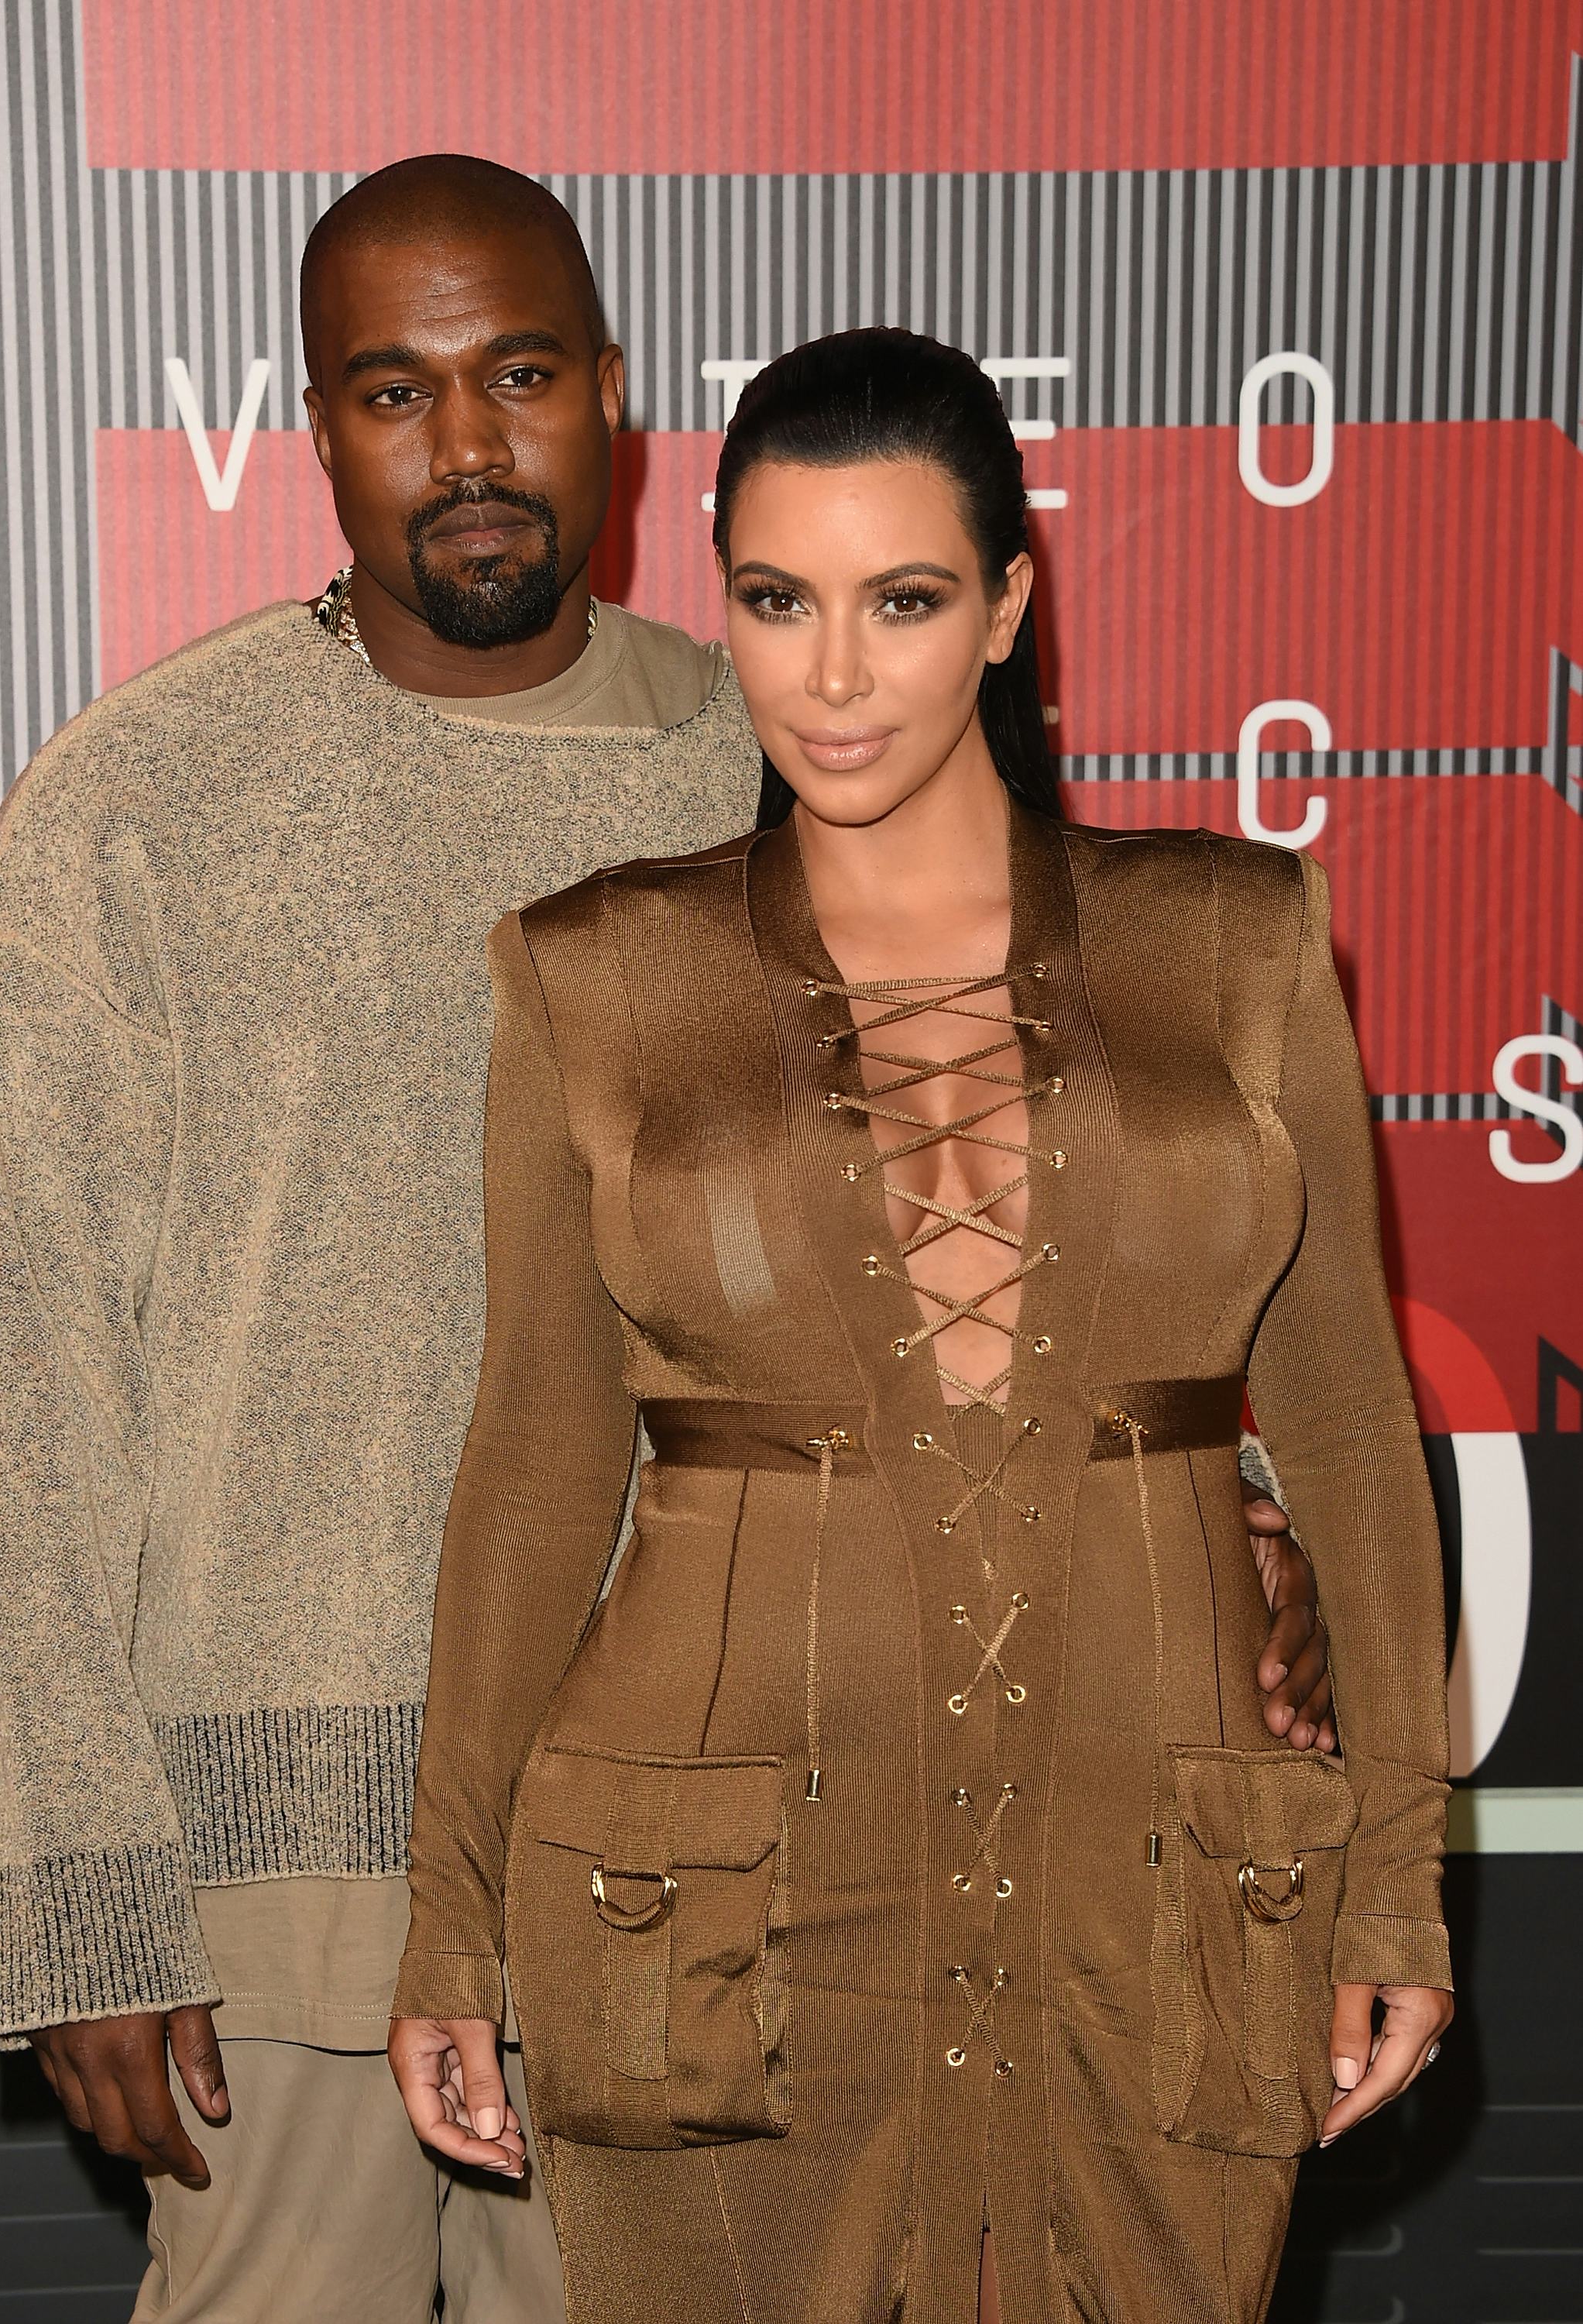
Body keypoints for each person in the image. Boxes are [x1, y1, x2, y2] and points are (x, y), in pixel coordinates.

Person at [0, 150, 1327, 2324]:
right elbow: (24, 1391)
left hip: (725, 1851)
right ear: (313, 427)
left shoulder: (786, 754)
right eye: (394, 392)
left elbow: (1055, 1182)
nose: (466, 447)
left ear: (611, 401)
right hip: (278, 1894)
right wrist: (80, 1901)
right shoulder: (139, 805)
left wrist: (1238, 1519)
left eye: (519, 376)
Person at [387, 329, 1452, 2324]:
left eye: (902, 600)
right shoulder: (593, 974)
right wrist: (447, 1916)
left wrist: (1400, 1871)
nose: (833, 675)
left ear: (1006, 608)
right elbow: (534, 1460)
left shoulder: (1237, 941)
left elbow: (1347, 1429)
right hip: (702, 1889)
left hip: (1157, 1875)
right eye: (776, 601)